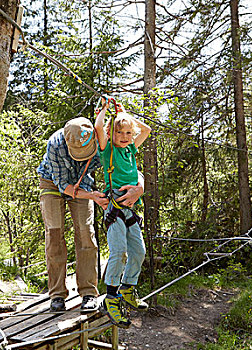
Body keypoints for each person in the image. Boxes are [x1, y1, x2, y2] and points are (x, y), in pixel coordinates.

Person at [37, 117, 144, 313]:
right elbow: (62, 184)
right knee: (54, 235)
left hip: (83, 184)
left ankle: (88, 293)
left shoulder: (102, 140)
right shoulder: (55, 144)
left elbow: (127, 165)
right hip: (51, 183)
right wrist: (92, 196)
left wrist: (140, 187)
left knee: (86, 233)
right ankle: (57, 295)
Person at [94, 99, 152, 328]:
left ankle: (128, 288)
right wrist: (107, 111)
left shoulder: (130, 149)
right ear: (112, 133)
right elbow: (99, 127)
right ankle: (111, 296)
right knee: (119, 251)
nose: (126, 136)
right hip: (114, 205)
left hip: (129, 208)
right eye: (121, 133)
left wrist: (124, 114)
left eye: (129, 132)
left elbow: (146, 130)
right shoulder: (108, 149)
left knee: (138, 251)